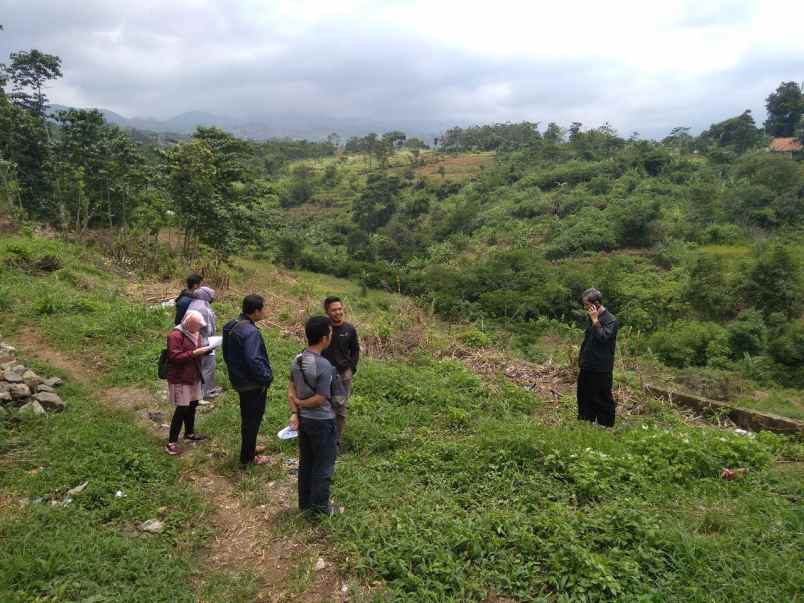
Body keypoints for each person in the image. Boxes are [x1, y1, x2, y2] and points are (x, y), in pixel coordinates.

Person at [288, 316, 338, 517]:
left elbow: (291, 388)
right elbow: (321, 398)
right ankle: (321, 510)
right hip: (322, 422)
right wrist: (301, 404)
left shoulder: (297, 359)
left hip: (305, 421)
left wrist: (295, 411)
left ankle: (305, 504)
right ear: (325, 338)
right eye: (330, 333)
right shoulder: (324, 365)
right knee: (323, 466)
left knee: (306, 463)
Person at [222, 294, 274, 466]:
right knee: (252, 420)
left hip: (239, 380)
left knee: (247, 418)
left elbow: (226, 352)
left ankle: (249, 448)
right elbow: (254, 360)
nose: (265, 311)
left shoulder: (231, 325)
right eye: (263, 308)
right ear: (256, 311)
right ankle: (248, 458)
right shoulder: (250, 332)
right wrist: (266, 378)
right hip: (252, 384)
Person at [165, 310, 212, 455]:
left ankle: (189, 433)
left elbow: (196, 350)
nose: (198, 329)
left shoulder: (195, 333)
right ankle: (171, 442)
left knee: (193, 404)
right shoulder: (175, 335)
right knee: (181, 409)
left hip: (194, 375)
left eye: (199, 326)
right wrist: (194, 353)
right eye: (196, 326)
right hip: (180, 378)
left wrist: (206, 350)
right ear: (187, 323)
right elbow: (174, 357)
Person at [577, 288, 619, 427]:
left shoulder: (610, 320)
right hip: (588, 364)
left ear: (596, 304)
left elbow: (603, 337)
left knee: (603, 398)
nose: (585, 307)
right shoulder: (592, 316)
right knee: (584, 396)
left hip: (601, 367)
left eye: (587, 304)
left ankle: (606, 426)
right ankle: (585, 422)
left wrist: (595, 320)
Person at [321, 296, 359, 448]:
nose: (338, 312)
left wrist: (352, 368)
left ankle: (336, 441)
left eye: (339, 309)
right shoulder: (324, 328)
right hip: (324, 374)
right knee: (323, 404)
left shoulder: (349, 329)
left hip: (343, 374)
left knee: (340, 408)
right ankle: (323, 436)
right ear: (327, 312)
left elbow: (355, 350)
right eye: (334, 310)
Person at [188, 286, 219, 400]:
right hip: (204, 341)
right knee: (208, 366)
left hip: (193, 339)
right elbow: (209, 328)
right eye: (211, 295)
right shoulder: (203, 308)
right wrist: (212, 341)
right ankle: (205, 393)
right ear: (206, 295)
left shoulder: (194, 304)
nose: (212, 298)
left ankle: (202, 390)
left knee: (199, 366)